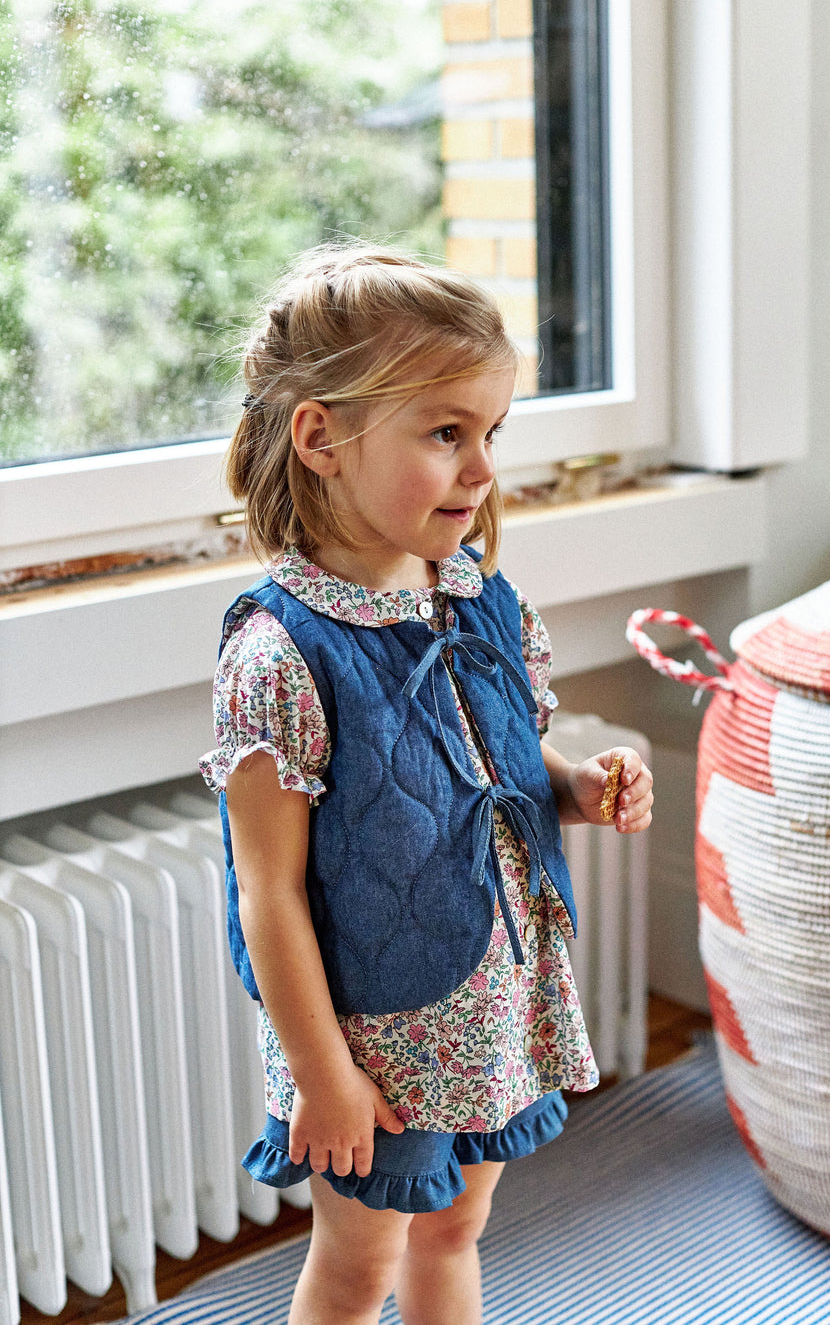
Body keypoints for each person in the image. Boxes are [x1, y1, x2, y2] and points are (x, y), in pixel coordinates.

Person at [200, 242, 653, 1325]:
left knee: (458, 1228)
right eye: (446, 432)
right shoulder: (279, 656)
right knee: (359, 1267)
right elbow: (265, 895)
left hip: (492, 997)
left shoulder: (477, 598)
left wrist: (578, 788)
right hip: (374, 1032)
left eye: (491, 432)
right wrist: (323, 1076)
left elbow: (501, 761)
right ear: (321, 437)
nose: (483, 468)